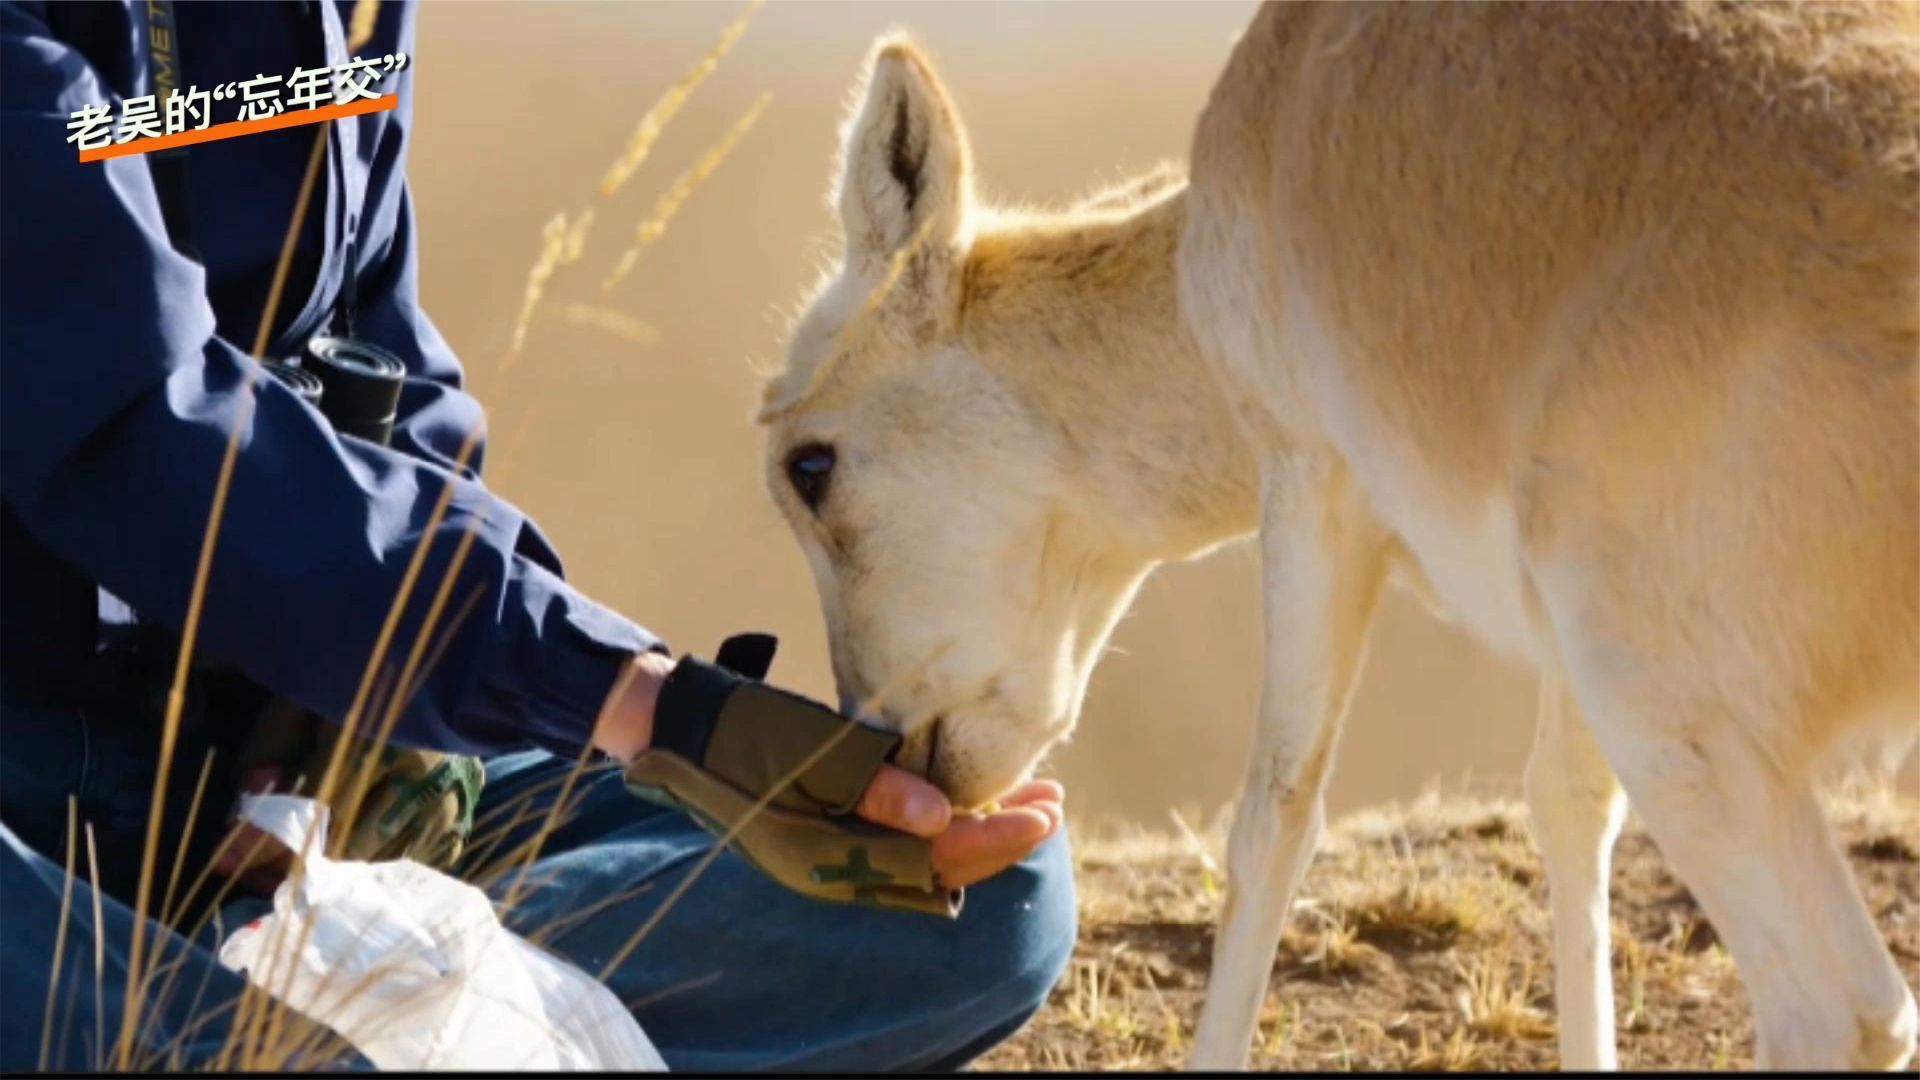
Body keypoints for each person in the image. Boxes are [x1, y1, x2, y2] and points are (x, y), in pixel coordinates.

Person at [0, 0, 1074, 1071]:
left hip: (244, 762)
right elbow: (132, 416)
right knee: (301, 1049)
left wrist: (374, 723)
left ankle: (280, 990)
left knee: (984, 903)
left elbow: (376, 349)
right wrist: (639, 698)